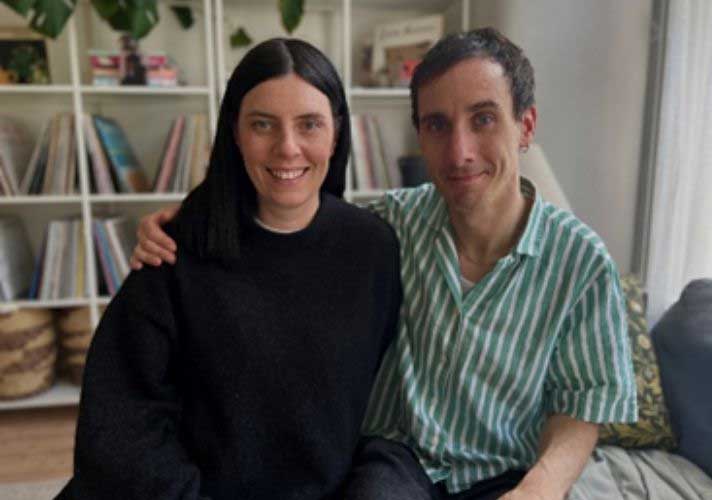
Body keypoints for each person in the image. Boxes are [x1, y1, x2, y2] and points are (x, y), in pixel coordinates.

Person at [133, 28, 637, 500]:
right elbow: (294, 216)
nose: (459, 152)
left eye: (483, 119)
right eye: (437, 125)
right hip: (397, 460)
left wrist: (537, 489)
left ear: (525, 126)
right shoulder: (388, 226)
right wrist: (188, 220)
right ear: (420, 134)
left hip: (507, 469)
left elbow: (583, 401)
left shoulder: (582, 262)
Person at [57, 38, 402, 500]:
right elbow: (121, 422)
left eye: (310, 124)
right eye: (263, 124)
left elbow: (379, 410)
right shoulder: (172, 251)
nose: (288, 148)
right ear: (235, 133)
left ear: (336, 132)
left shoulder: (374, 248)